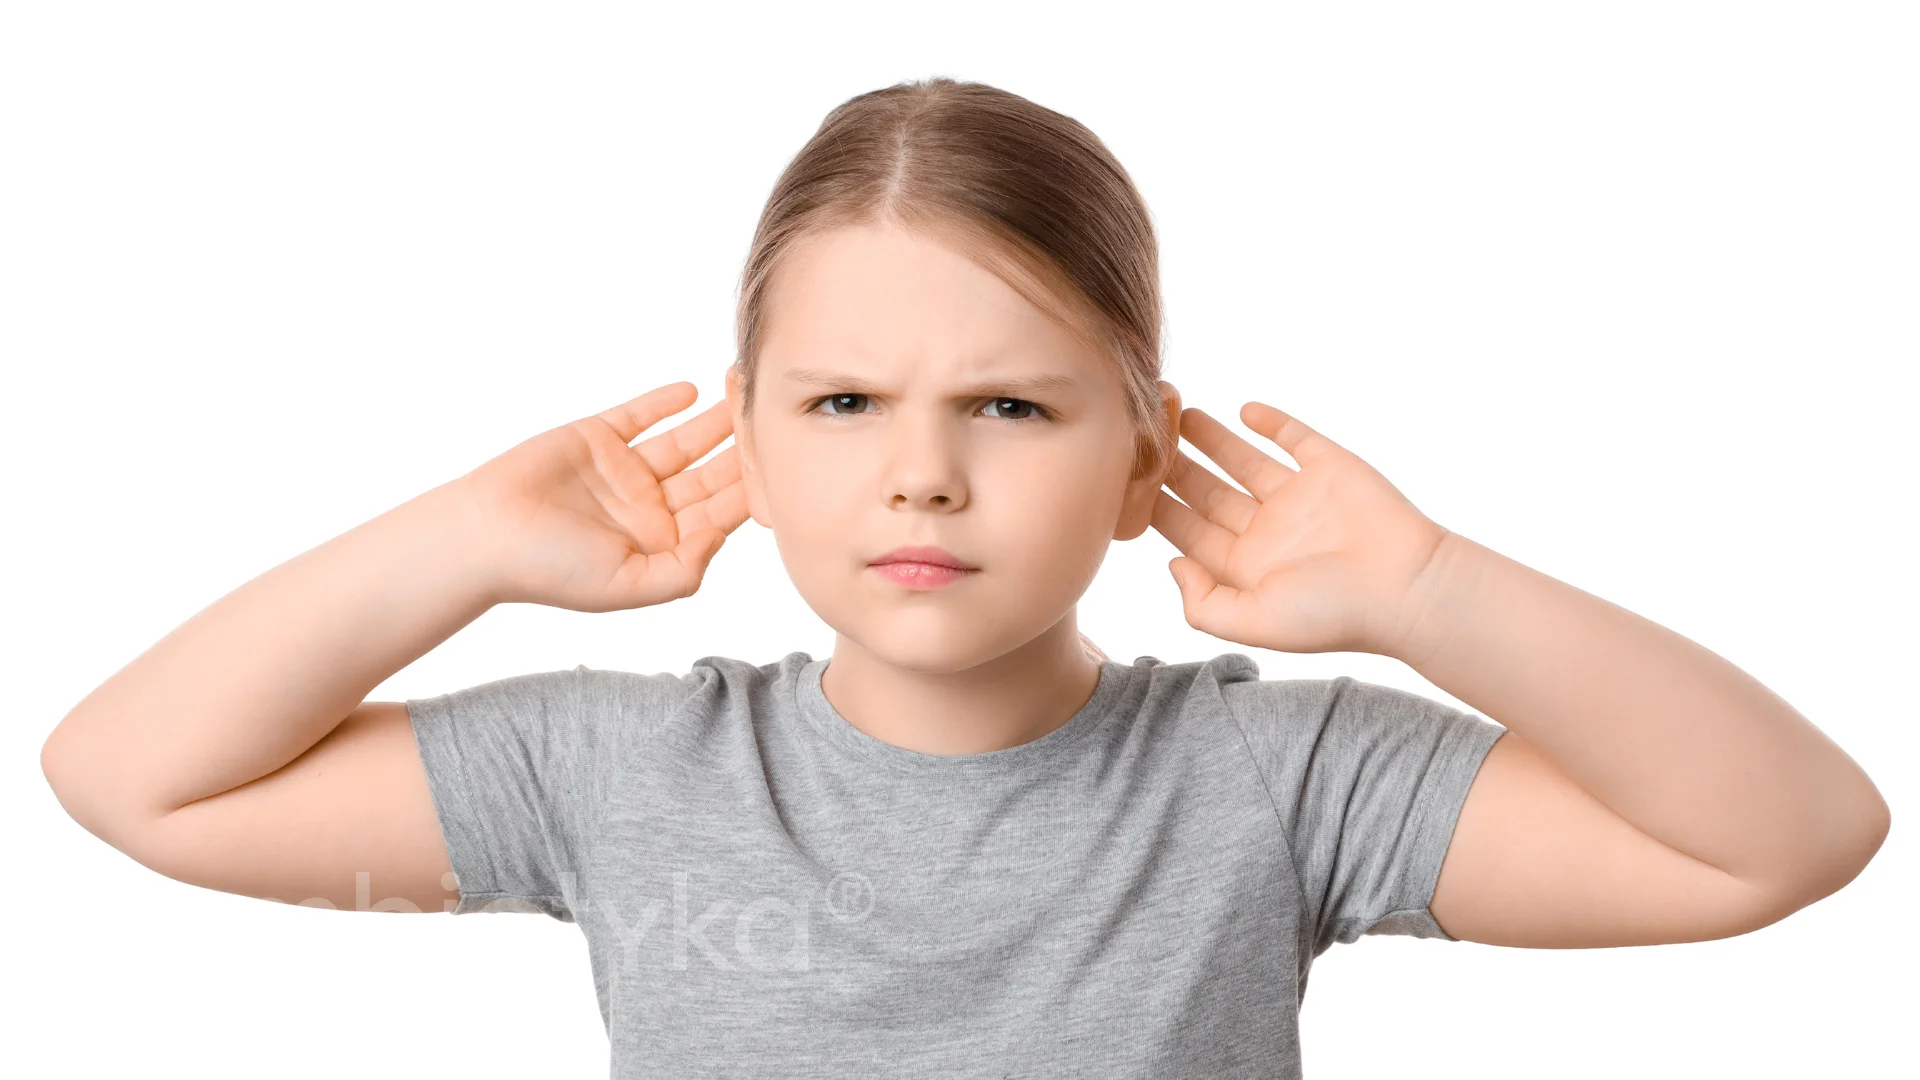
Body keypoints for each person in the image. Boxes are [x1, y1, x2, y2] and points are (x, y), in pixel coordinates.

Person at [39, 77, 1890, 1078]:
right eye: (844, 401)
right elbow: (132, 778)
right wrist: (458, 543)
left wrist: (1431, 593)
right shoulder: (616, 778)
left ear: (1142, 449)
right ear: (749, 441)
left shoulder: (1279, 781)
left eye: (1012, 401)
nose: (922, 467)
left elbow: (1784, 838)